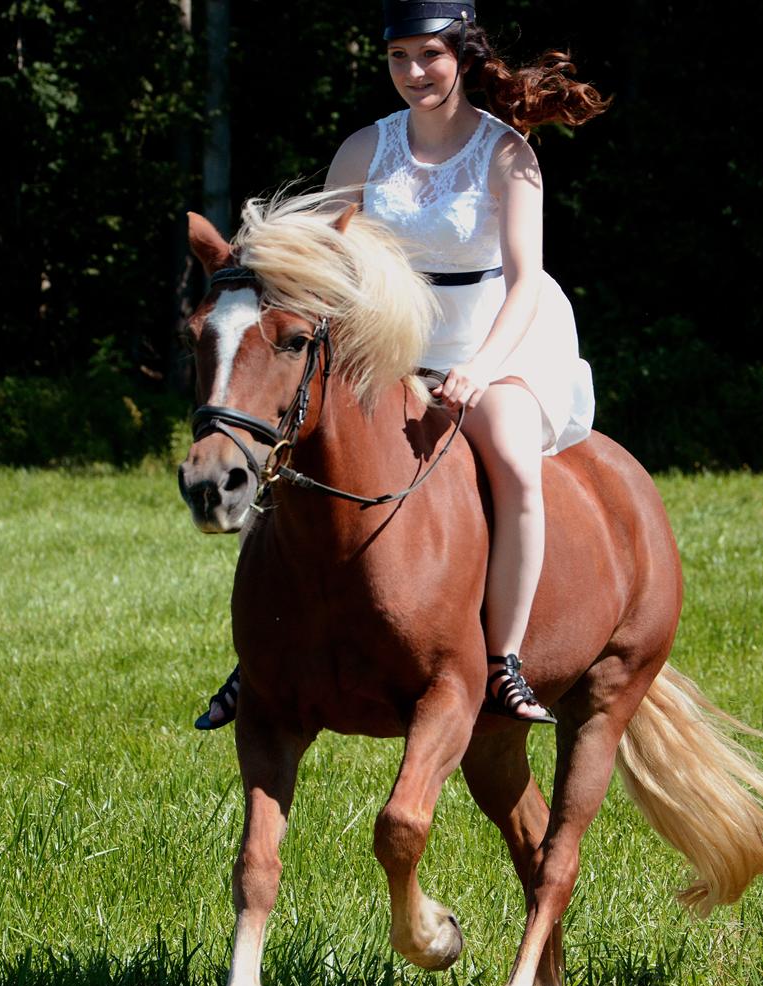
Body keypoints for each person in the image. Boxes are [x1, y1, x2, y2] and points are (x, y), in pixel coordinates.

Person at [196, 0, 608, 730]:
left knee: (512, 458)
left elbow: (525, 283)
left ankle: (505, 658)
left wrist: (480, 370)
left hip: (497, 338)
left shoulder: (508, 152)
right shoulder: (363, 150)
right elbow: (318, 267)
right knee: (289, 444)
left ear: (463, 58)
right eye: (399, 58)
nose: (414, 73)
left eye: (430, 56)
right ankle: (259, 649)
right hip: (387, 346)